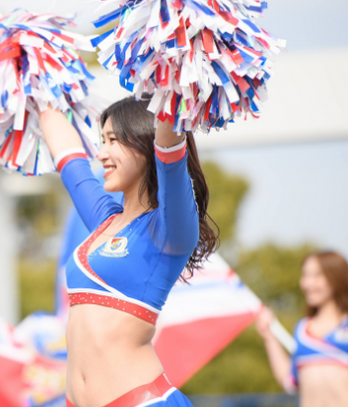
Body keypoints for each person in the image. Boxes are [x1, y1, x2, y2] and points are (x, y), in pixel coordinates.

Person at [38, 97, 218, 407]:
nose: (101, 153)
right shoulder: (105, 220)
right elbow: (69, 160)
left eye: (113, 141)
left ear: (145, 142)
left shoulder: (169, 231)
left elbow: (170, 150)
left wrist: (171, 85)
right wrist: (33, 81)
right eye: (102, 141)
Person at [255, 251, 348, 407]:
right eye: (305, 275)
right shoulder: (302, 329)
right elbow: (290, 383)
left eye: (317, 275)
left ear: (337, 277)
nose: (307, 283)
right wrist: (269, 338)